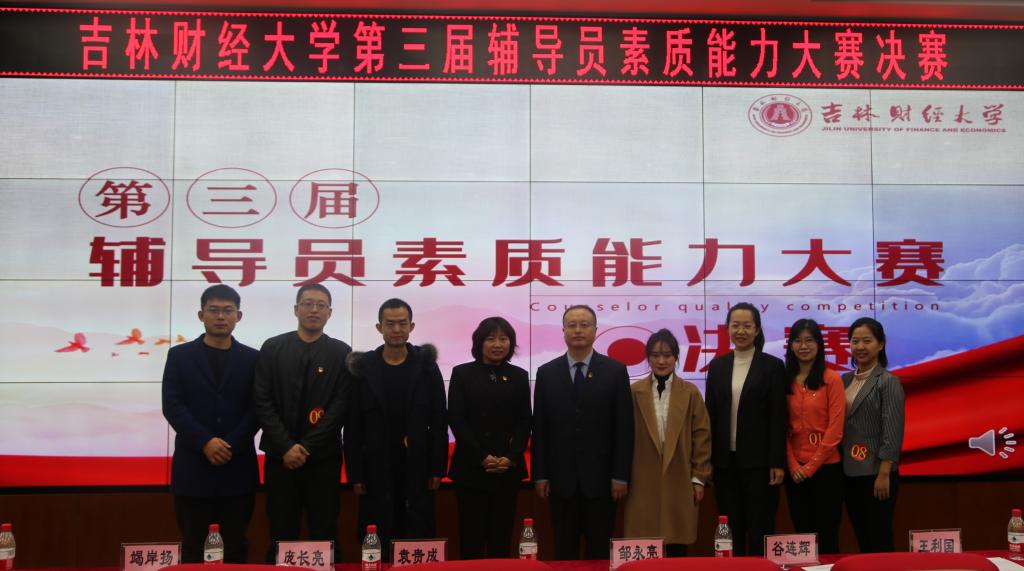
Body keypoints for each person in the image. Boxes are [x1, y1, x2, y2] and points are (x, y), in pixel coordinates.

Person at [252, 283, 352, 562]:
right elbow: (261, 400)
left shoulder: (341, 352)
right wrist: (286, 446)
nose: (314, 310)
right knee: (281, 529)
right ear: (296, 309)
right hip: (279, 458)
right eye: (307, 304)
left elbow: (339, 407)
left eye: (321, 305)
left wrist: (306, 446)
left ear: (330, 312)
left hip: (323, 459)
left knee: (325, 528)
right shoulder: (273, 348)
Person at [162, 284, 259, 563]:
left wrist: (230, 444)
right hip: (193, 468)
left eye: (227, 310)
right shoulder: (179, 356)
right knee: (194, 546)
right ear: (200, 315)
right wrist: (205, 441)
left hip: (237, 467)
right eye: (213, 310)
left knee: (235, 546)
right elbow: (172, 405)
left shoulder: (253, 358)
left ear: (238, 316)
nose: (220, 316)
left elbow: (258, 408)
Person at [344, 298, 447, 560]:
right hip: (375, 465)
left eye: (402, 323)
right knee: (378, 530)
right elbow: (353, 426)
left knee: (416, 529)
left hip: (417, 463)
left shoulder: (426, 366)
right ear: (379, 327)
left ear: (412, 326)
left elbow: (438, 422)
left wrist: (437, 468)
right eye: (390, 324)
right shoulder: (364, 368)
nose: (397, 329)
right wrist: (355, 474)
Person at [532, 304, 633, 560]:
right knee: (563, 550)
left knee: (599, 552)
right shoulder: (546, 373)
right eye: (572, 325)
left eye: (584, 325)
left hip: (602, 481)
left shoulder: (615, 371)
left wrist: (620, 476)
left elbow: (623, 429)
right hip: (561, 480)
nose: (578, 330)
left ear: (595, 330)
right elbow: (540, 429)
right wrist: (540, 475)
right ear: (563, 331)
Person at [704, 302, 787, 556]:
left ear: (757, 330)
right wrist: (707, 461)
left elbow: (778, 417)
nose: (741, 331)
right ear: (727, 329)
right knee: (731, 527)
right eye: (735, 325)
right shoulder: (717, 366)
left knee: (760, 525)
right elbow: (710, 417)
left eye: (747, 326)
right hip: (724, 463)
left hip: (760, 464)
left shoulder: (772, 366)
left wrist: (777, 461)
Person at [448, 316, 531, 559]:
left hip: (507, 471)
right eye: (491, 338)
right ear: (479, 342)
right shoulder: (462, 374)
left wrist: (511, 457)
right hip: (471, 469)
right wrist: (481, 457)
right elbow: (457, 419)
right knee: (471, 540)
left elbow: (525, 421)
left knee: (501, 539)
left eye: (504, 339)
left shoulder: (519, 375)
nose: (498, 344)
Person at [623, 329, 712, 558]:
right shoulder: (634, 392)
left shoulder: (690, 393)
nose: (661, 361)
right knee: (643, 545)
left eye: (667, 355)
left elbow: (702, 437)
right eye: (655, 355)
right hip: (642, 476)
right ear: (648, 358)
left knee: (676, 543)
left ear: (676, 357)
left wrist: (699, 478)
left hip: (680, 475)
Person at [842, 317, 905, 553]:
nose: (860, 347)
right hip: (849, 472)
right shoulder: (844, 380)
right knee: (862, 536)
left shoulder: (888, 381)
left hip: (877, 473)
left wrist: (884, 472)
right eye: (855, 341)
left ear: (881, 344)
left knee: (880, 537)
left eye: (867, 341)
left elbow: (893, 429)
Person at [783, 319, 845, 554]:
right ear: (790, 346)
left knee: (827, 533)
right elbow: (780, 426)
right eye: (797, 341)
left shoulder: (832, 379)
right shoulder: (784, 380)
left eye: (809, 340)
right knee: (803, 535)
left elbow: (835, 429)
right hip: (795, 471)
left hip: (826, 469)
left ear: (819, 344)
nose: (803, 346)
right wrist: (793, 465)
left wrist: (809, 468)